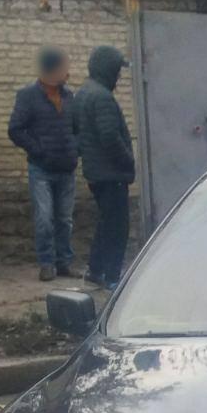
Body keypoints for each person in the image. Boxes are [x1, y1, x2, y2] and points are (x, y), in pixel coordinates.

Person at [9, 46, 78, 281]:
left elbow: (77, 127)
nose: (67, 72)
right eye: (64, 67)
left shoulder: (69, 96)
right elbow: (15, 129)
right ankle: (46, 263)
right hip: (42, 169)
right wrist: (39, 151)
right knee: (45, 218)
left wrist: (74, 149)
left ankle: (64, 263)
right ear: (52, 69)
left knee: (65, 219)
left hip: (66, 168)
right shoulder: (28, 96)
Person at [72, 45, 135, 289]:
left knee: (106, 222)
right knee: (118, 226)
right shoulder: (102, 97)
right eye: (117, 70)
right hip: (111, 173)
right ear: (108, 69)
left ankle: (96, 270)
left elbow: (78, 133)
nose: (119, 76)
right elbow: (109, 137)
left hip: (97, 172)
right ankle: (111, 275)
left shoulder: (85, 93)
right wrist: (127, 160)